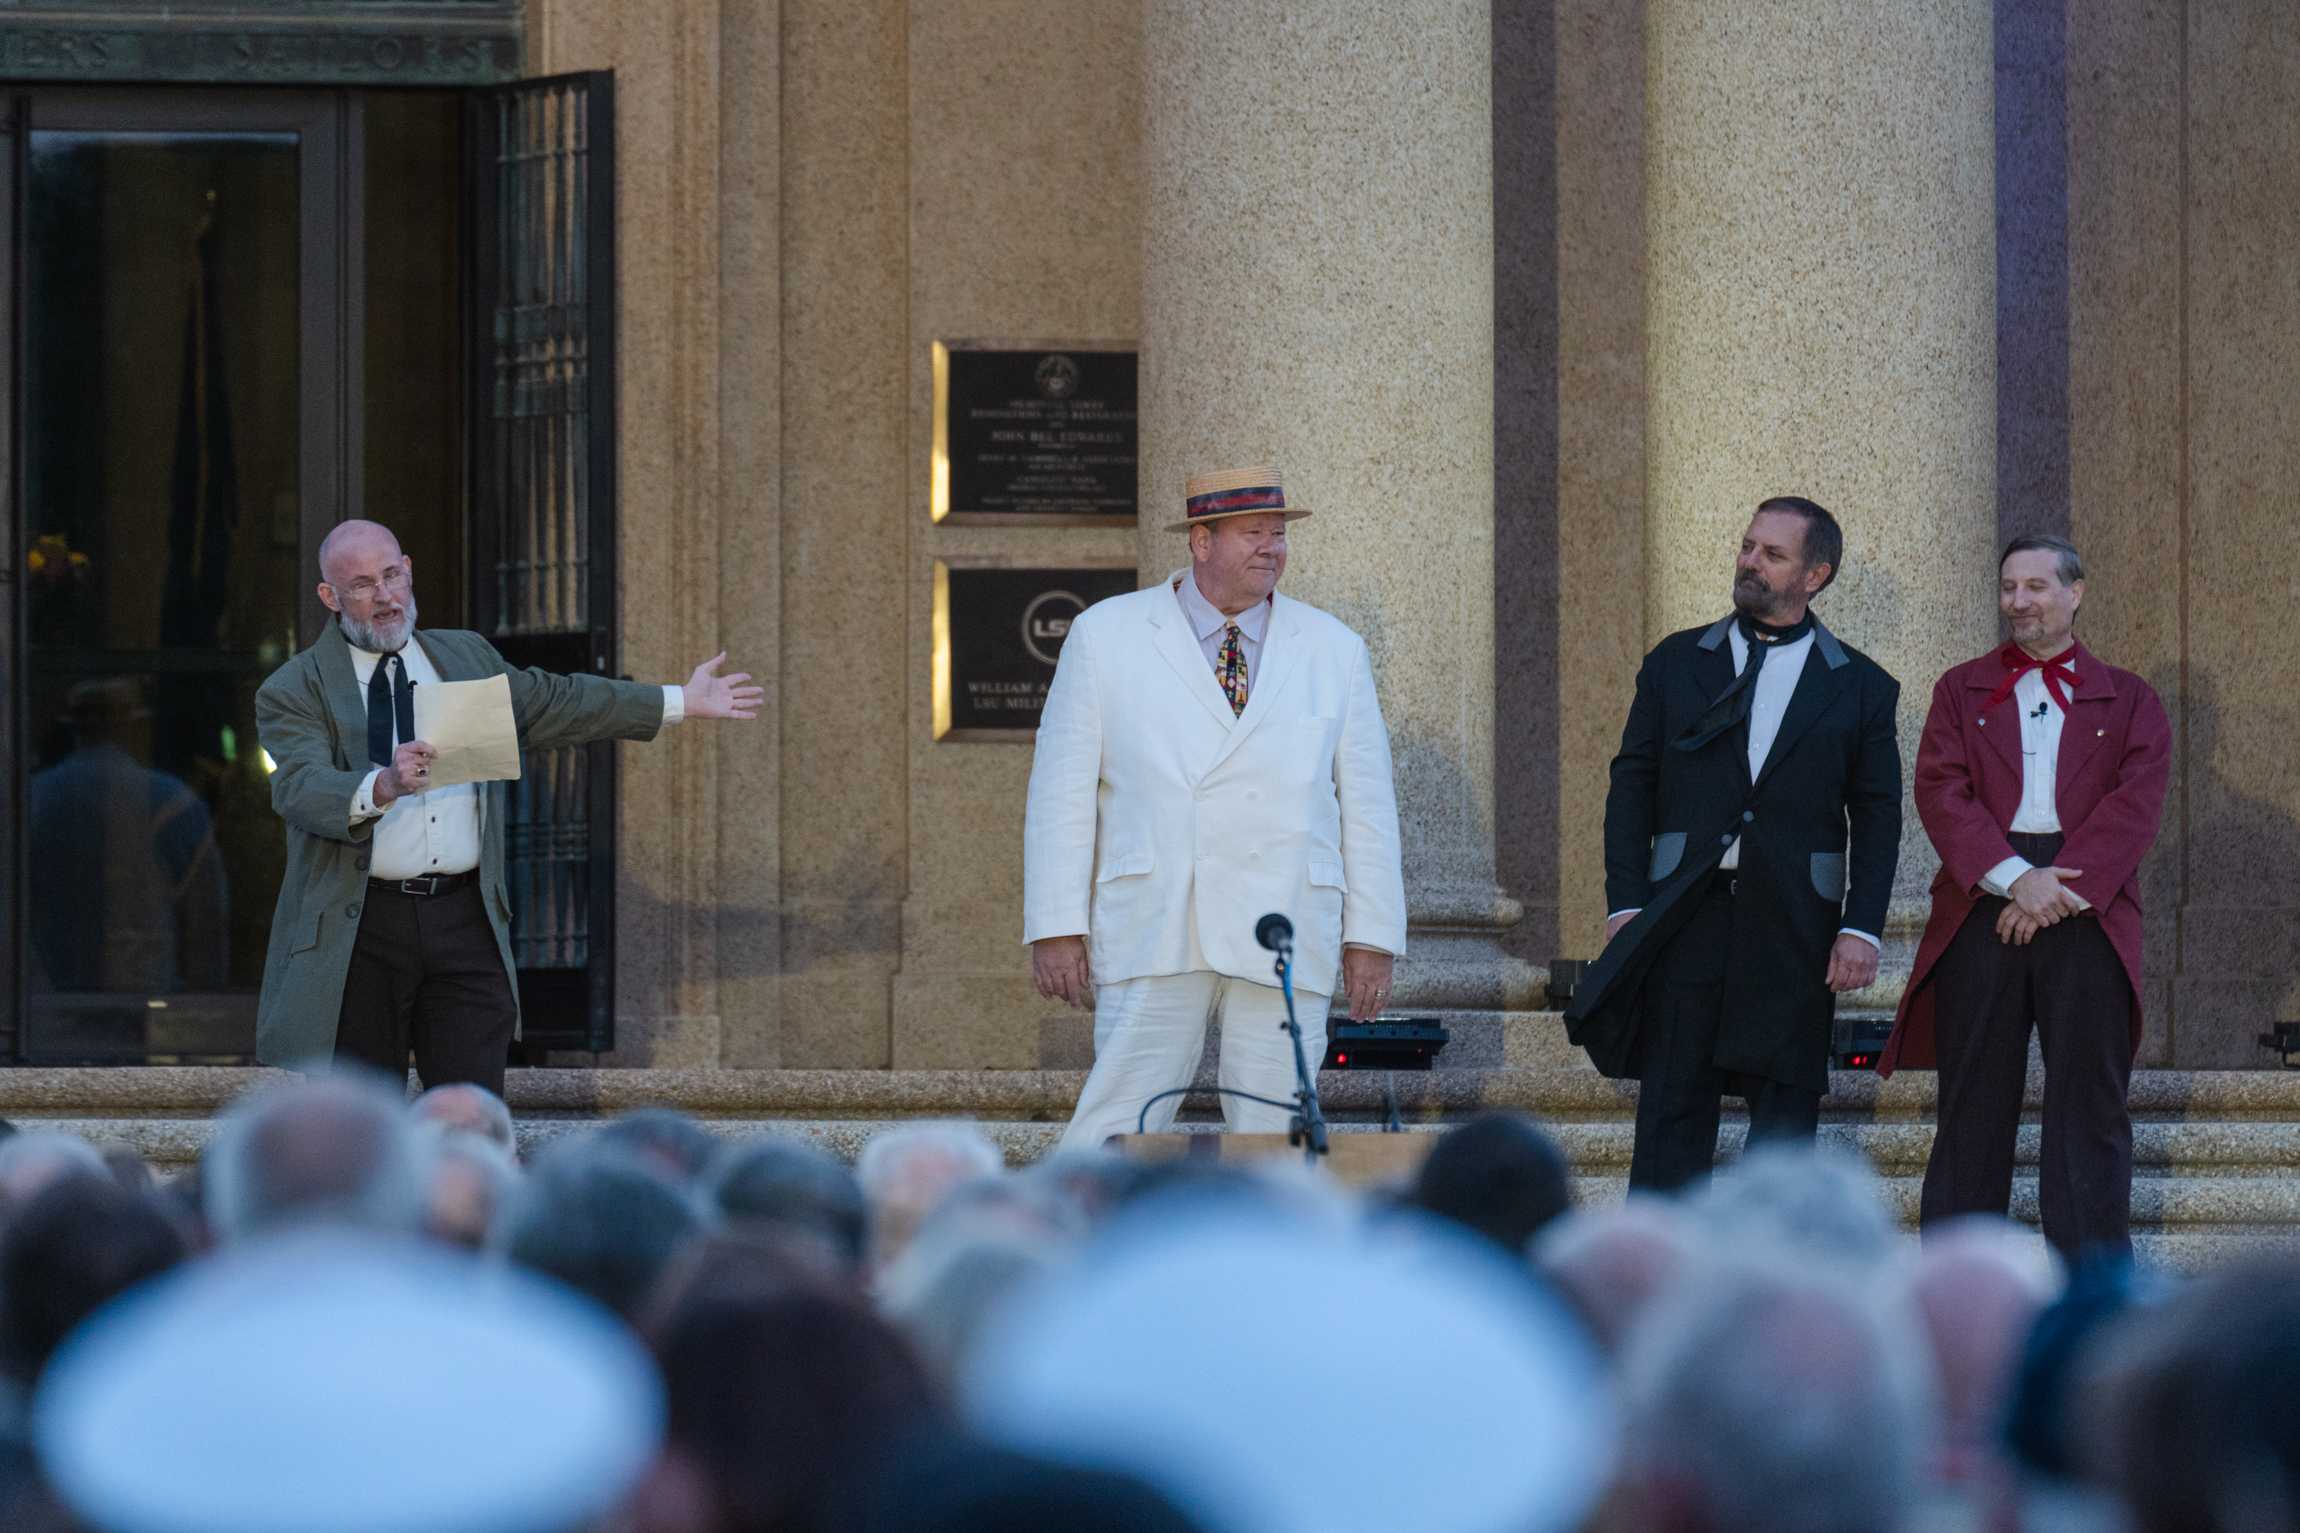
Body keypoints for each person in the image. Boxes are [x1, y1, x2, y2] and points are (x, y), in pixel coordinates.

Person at [254, 519, 762, 1092]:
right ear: (331, 597)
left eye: (393, 575)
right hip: (363, 926)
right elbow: (298, 785)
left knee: (472, 1108)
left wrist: (678, 701)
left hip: (464, 917)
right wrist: (383, 786)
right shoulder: (295, 687)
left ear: (410, 569)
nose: (387, 597)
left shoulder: (464, 655)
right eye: (364, 585)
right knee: (368, 1127)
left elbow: (555, 701)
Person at [1024, 466, 1407, 1152]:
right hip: (1157, 915)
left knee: (1279, 1134)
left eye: (1279, 533)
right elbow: (1061, 792)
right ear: (1200, 541)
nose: (1272, 547)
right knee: (1118, 1122)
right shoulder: (1105, 635)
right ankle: (1087, 1245)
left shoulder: (1334, 649)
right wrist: (1056, 924)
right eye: (1253, 532)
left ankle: (1273, 1257)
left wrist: (1371, 937)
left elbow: (1369, 806)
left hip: (1285, 923)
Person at [1566, 497, 1902, 1191]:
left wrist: (1860, 925)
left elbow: (1877, 814)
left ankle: (1767, 1285)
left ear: (1815, 574)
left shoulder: (1862, 686)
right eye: (1748, 545)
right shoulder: (1675, 662)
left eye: (1773, 554)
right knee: (1669, 1122)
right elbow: (1631, 787)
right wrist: (1626, 903)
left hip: (1794, 930)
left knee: (1783, 1134)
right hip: (1685, 920)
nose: (1750, 561)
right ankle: (1654, 1283)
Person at [1880, 535, 2170, 1259]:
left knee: (2089, 1104)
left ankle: (2093, 1278)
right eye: (2010, 587)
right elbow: (1941, 792)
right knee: (1973, 1099)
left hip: (2086, 903)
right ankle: (1957, 1275)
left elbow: (2135, 805)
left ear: (2076, 593)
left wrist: (2052, 889)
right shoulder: (1959, 687)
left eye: (2037, 586)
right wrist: (2015, 878)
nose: (2020, 601)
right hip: (1988, 899)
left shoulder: (2130, 696)